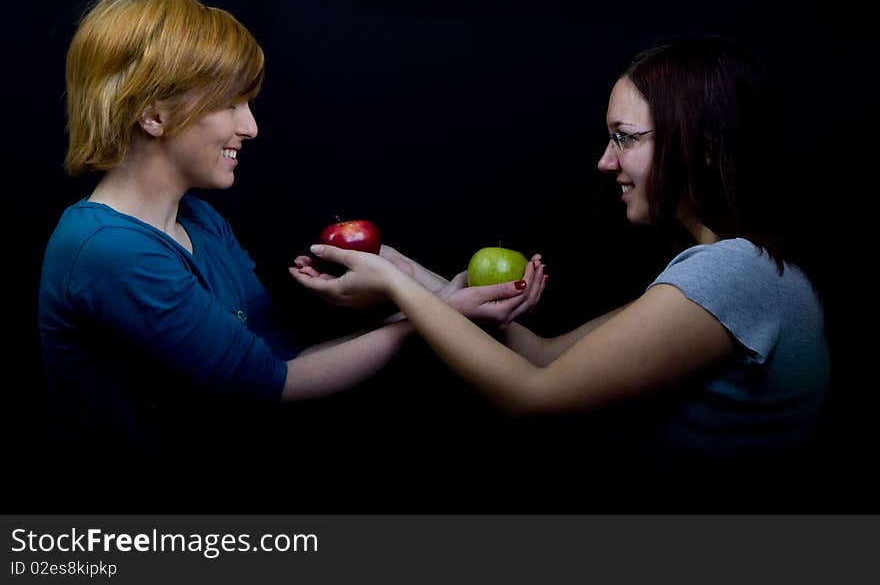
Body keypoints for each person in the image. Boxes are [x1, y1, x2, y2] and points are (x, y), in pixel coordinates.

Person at [37, 0, 546, 475]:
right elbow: (274, 386)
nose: (251, 126)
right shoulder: (109, 250)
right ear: (153, 113)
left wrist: (430, 299)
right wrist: (432, 314)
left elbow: (281, 360)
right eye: (230, 103)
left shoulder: (199, 220)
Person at [291, 37, 831, 491]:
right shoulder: (741, 267)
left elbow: (534, 400)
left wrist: (394, 288)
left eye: (625, 137)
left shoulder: (729, 273)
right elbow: (547, 356)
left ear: (704, 146)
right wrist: (409, 276)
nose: (605, 160)